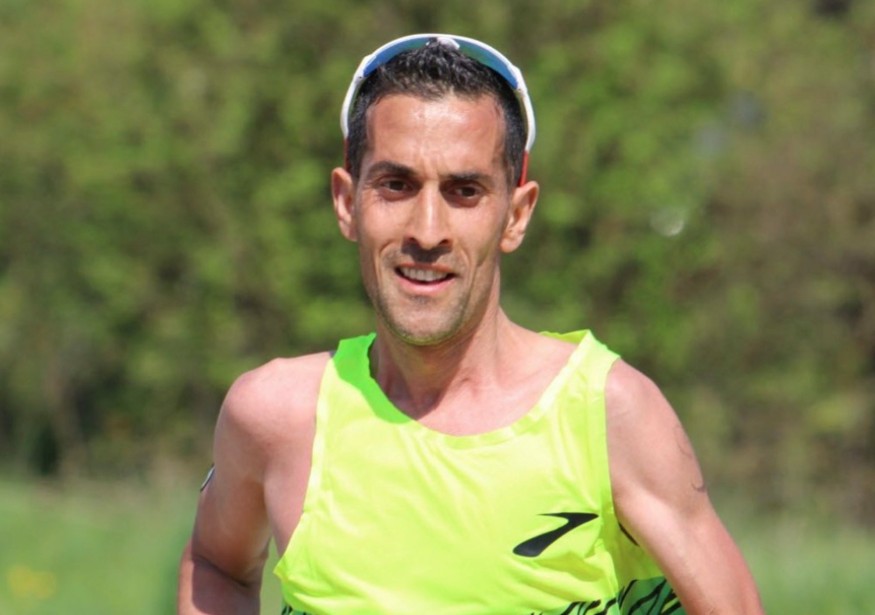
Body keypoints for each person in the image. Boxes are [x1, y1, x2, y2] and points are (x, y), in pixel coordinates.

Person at [177, 34, 764, 614]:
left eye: (464, 191)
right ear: (346, 202)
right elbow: (216, 566)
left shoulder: (607, 415)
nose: (427, 230)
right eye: (397, 185)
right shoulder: (276, 418)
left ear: (516, 215)